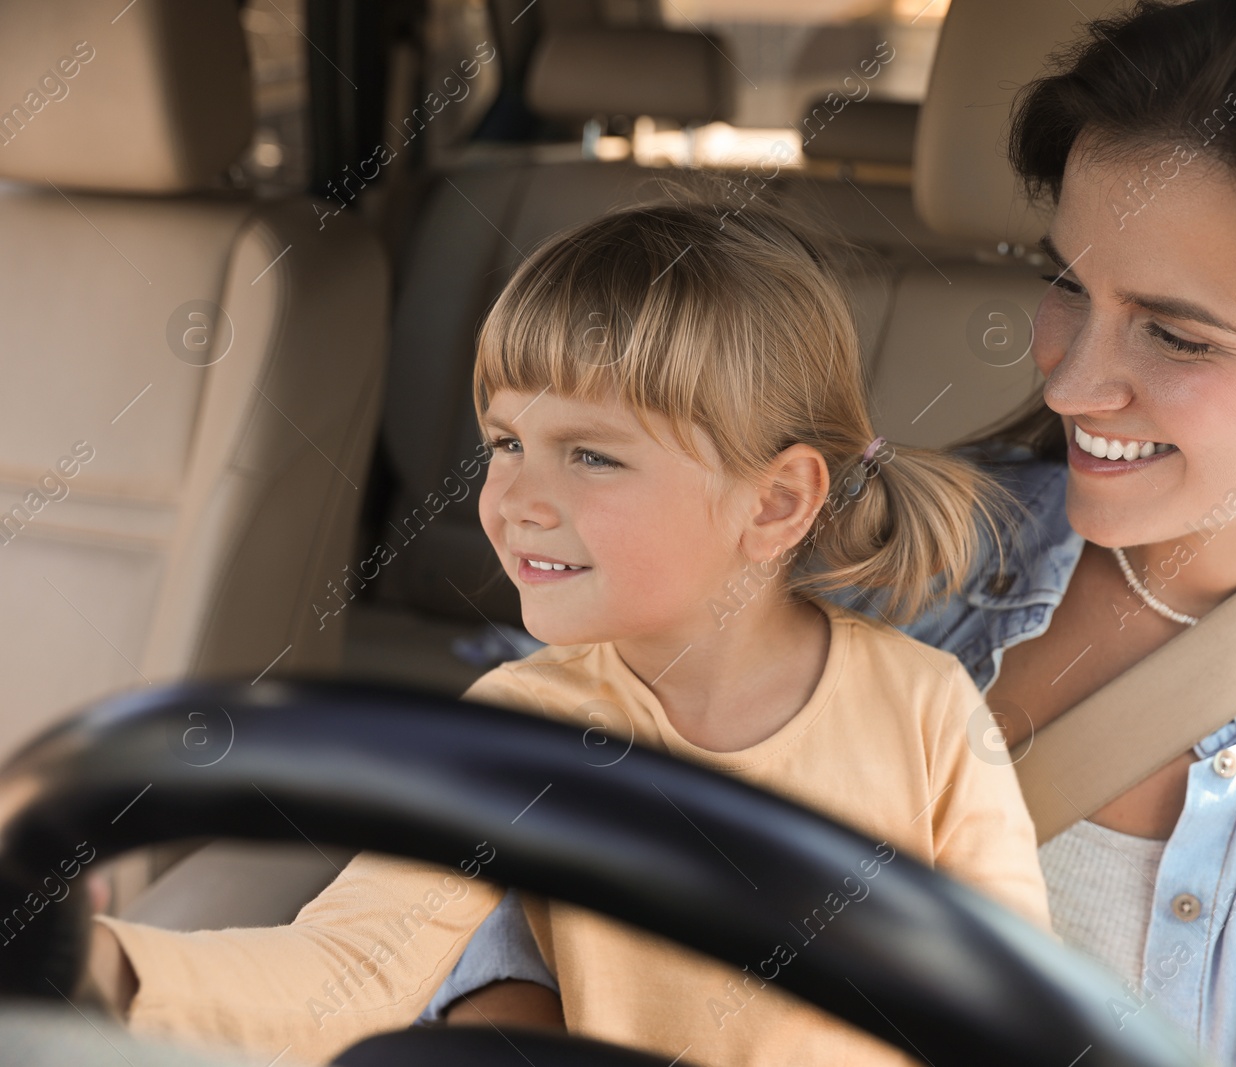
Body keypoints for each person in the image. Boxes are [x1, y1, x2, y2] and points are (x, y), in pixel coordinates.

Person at [436, 0, 1236, 1062]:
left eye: (1176, 337)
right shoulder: (879, 547)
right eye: (1065, 284)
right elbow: (534, 790)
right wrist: (508, 1011)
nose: (1072, 380)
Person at [81, 201, 1053, 1067]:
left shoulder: (923, 708)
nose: (514, 500)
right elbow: (353, 965)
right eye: (506, 443)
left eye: (589, 454)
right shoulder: (524, 721)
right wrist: (114, 969)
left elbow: (1012, 1011)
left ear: (775, 502)